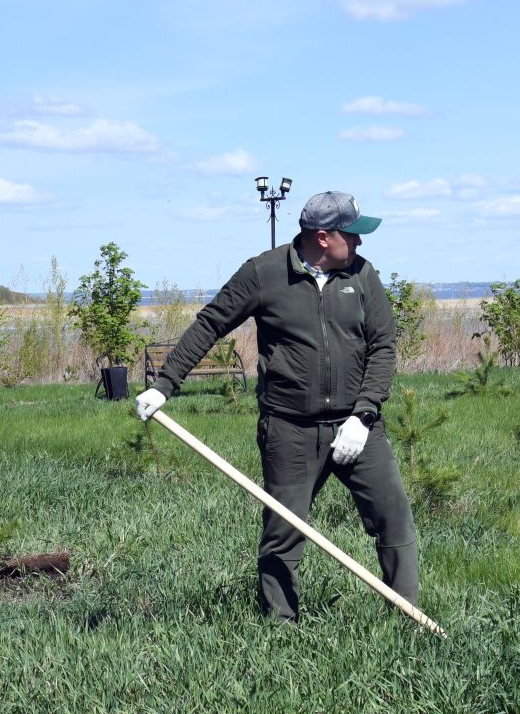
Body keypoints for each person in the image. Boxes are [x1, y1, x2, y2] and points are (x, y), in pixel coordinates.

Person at [135, 191, 417, 621]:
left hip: (359, 426)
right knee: (283, 534)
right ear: (323, 238)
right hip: (290, 430)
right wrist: (165, 385)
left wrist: (364, 414)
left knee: (394, 520)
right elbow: (212, 323)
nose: (360, 244)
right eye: (352, 236)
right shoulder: (264, 273)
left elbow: (383, 347)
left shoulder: (362, 276)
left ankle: (407, 622)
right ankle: (280, 631)